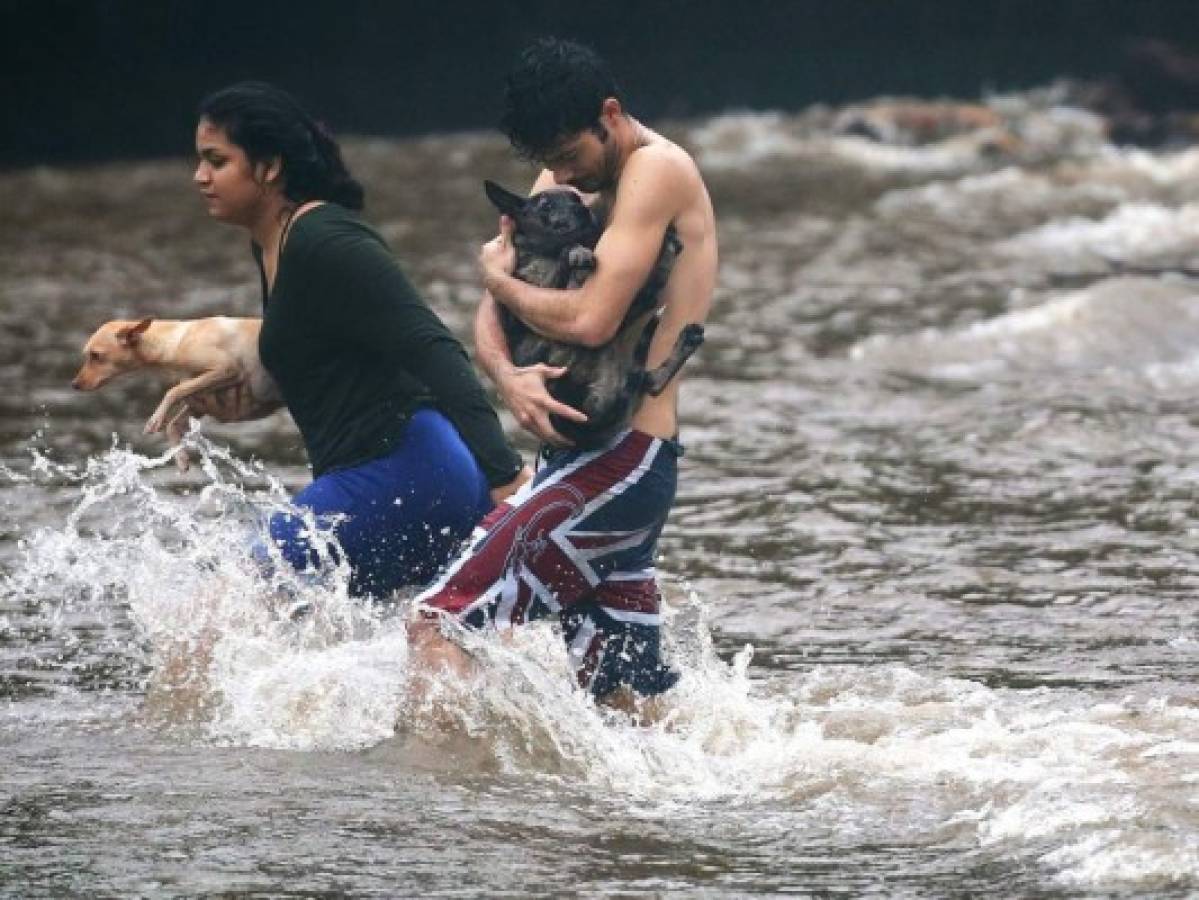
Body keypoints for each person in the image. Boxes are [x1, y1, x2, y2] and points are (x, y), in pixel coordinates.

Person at [412, 39, 718, 703]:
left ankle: (447, 810)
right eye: (547, 164)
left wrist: (493, 274)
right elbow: (497, 308)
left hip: (621, 461)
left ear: (608, 114)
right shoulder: (560, 177)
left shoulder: (655, 170)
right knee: (623, 707)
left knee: (435, 624)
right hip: (579, 464)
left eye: (570, 157)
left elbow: (589, 321)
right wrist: (506, 374)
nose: (562, 179)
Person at [190, 81, 529, 598]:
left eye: (217, 160)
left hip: (410, 471)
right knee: (413, 654)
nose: (200, 177)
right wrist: (252, 401)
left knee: (223, 594)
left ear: (269, 166)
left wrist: (505, 477)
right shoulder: (272, 247)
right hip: (389, 478)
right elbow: (336, 364)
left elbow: (432, 348)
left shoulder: (326, 240)